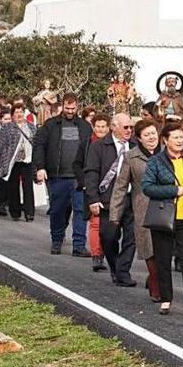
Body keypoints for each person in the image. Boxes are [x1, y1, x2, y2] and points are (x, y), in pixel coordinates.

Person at [141, 118, 183, 316]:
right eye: (175, 137)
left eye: (182, 137)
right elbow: (147, 187)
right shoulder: (156, 161)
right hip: (164, 217)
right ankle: (166, 299)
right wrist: (173, 190)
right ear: (165, 140)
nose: (179, 140)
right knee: (163, 260)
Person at [110, 119, 162, 302]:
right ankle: (155, 283)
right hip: (143, 208)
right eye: (147, 135)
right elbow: (120, 186)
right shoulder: (131, 157)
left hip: (167, 207)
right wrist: (115, 212)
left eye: (154, 134)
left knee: (163, 249)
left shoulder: (168, 153)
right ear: (139, 138)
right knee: (149, 249)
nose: (151, 138)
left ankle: (159, 281)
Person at [33, 93, 91, 256]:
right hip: (57, 176)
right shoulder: (50, 125)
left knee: (80, 210)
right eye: (67, 108)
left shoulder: (85, 127)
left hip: (79, 177)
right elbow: (39, 146)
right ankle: (57, 240)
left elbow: (92, 150)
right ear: (62, 106)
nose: (70, 111)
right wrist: (40, 167)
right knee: (58, 210)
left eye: (73, 108)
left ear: (77, 107)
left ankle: (79, 245)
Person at [84, 113, 137, 286]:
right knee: (108, 236)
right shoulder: (99, 146)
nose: (129, 130)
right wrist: (93, 198)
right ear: (113, 127)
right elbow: (91, 172)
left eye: (131, 127)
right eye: (126, 127)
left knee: (131, 238)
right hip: (109, 198)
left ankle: (123, 272)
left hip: (132, 198)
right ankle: (116, 268)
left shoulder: (136, 146)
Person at [0, 102, 37, 222]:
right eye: (17, 112)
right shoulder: (7, 127)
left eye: (21, 112)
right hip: (13, 161)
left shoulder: (31, 127)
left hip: (27, 160)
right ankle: (15, 212)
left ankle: (29, 212)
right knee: (13, 186)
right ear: (13, 114)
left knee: (28, 187)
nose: (19, 114)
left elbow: (37, 143)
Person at [76, 113, 110, 272]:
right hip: (92, 188)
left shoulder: (115, 144)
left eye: (104, 126)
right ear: (93, 127)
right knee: (95, 223)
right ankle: (97, 256)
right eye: (98, 126)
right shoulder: (86, 144)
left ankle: (106, 252)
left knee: (110, 226)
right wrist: (84, 183)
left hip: (111, 190)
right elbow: (77, 164)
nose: (101, 129)